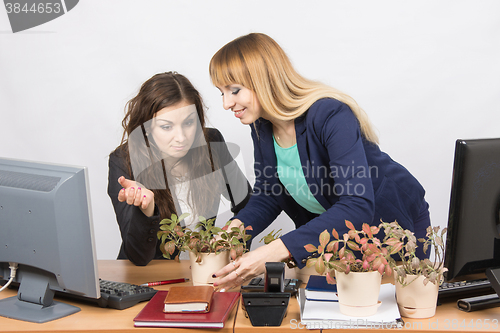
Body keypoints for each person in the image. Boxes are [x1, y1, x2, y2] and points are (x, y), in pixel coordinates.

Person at [209, 33, 431, 290]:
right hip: (340, 238)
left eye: (234, 90)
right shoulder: (262, 125)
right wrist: (235, 231)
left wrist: (274, 252)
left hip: (390, 224)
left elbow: (357, 204)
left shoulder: (330, 114)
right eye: (221, 93)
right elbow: (270, 192)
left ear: (265, 80)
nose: (226, 103)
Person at [108, 72, 251, 266]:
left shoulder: (211, 144)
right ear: (147, 128)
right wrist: (147, 210)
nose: (181, 138)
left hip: (202, 273)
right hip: (147, 280)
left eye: (189, 123)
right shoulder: (124, 161)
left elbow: (248, 204)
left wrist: (232, 242)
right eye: (167, 127)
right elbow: (138, 257)